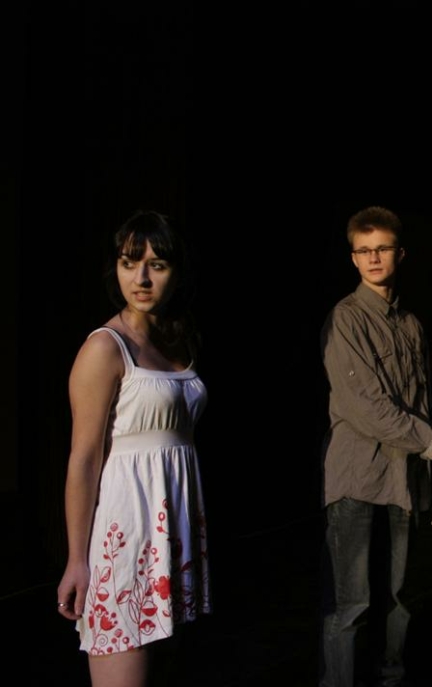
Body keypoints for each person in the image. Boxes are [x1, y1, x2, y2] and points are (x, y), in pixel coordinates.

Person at [56, 210, 210, 687]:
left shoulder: (178, 340)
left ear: (177, 271)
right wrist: (77, 559)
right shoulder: (105, 347)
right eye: (129, 263)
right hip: (125, 536)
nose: (141, 278)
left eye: (156, 265)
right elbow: (83, 460)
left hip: (174, 534)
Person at [319, 206, 432, 687]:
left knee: (398, 599)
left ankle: (390, 678)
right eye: (363, 251)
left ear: (399, 253)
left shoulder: (411, 325)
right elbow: (368, 408)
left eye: (382, 248)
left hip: (403, 480)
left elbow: (418, 409)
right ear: (353, 258)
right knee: (352, 604)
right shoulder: (345, 319)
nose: (373, 258)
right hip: (358, 480)